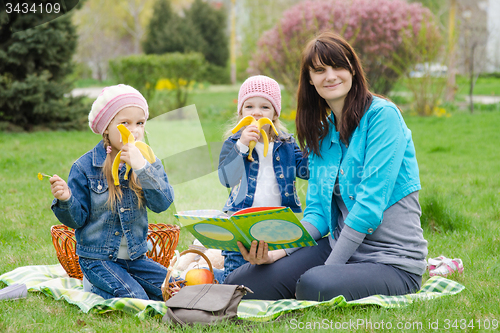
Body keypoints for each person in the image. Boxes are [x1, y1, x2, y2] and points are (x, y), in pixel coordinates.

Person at [224, 32, 428, 302]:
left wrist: (330, 267)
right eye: (319, 70)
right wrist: (277, 253)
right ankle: (323, 277)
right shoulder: (322, 133)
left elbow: (368, 208)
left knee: (314, 283)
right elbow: (318, 214)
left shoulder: (382, 117)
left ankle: (326, 278)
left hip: (391, 260)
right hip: (338, 246)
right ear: (310, 79)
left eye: (338, 66)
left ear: (353, 69)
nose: (330, 76)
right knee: (241, 283)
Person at [50, 84, 174, 300]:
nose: (133, 130)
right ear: (106, 127)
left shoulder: (148, 162)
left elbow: (162, 203)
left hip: (135, 258)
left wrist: (142, 168)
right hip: (97, 259)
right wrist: (66, 200)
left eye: (140, 123)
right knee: (136, 298)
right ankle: (96, 285)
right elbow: (77, 220)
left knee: (176, 288)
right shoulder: (85, 167)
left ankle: (116, 284)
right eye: (124, 123)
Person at [216, 75, 309, 283]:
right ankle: (222, 281)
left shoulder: (287, 143)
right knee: (235, 278)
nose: (256, 112)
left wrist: (315, 142)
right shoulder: (233, 142)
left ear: (275, 113)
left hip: (278, 224)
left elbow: (306, 170)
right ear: (240, 112)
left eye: (265, 107)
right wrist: (241, 146)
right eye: (249, 106)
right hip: (241, 222)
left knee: (271, 277)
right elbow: (227, 179)